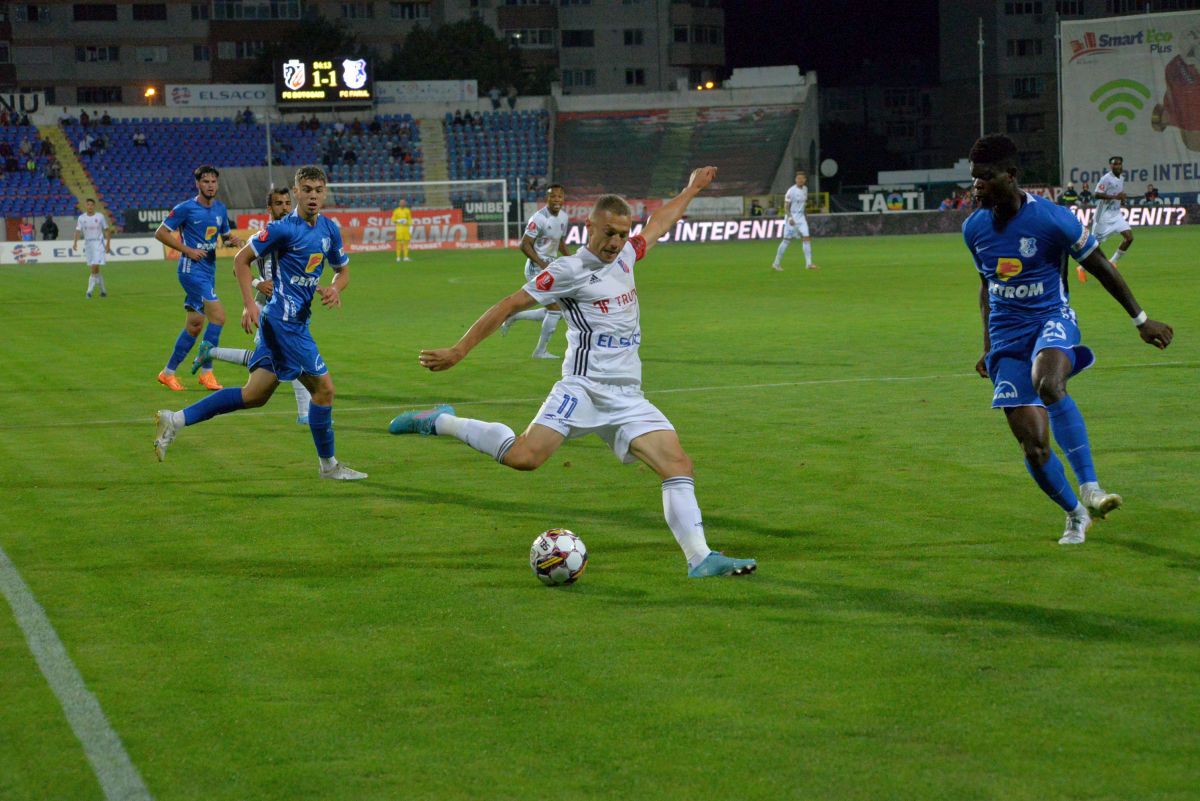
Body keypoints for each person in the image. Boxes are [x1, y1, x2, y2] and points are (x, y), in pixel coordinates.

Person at [388, 167, 756, 578]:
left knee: (678, 465)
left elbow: (659, 223)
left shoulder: (627, 256)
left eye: (622, 234)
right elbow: (509, 304)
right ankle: (441, 421)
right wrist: (459, 350)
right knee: (524, 457)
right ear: (589, 227)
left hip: (628, 396)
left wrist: (691, 189)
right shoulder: (568, 270)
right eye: (608, 233)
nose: (615, 242)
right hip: (582, 389)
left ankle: (699, 558)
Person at [963, 134, 1173, 545]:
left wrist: (1141, 320)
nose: (977, 186)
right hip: (1006, 337)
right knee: (1034, 447)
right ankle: (1076, 514)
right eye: (974, 178)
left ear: (1011, 175)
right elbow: (987, 287)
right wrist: (988, 347)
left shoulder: (1053, 219)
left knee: (1048, 382)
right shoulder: (974, 228)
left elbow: (1100, 266)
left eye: (985, 177)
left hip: (1051, 319)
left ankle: (1091, 488)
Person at [154, 165, 366, 481]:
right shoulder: (282, 229)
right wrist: (249, 303)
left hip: (294, 322)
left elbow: (343, 271)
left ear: (325, 193)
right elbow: (241, 260)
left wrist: (335, 288)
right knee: (324, 390)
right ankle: (328, 466)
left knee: (254, 395)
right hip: (283, 323)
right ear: (297, 192)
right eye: (307, 190)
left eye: (318, 190)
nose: (313, 196)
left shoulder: (329, 230)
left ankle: (176, 419)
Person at [190, 187, 313, 424]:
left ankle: (210, 352)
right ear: (269, 208)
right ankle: (304, 414)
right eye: (279, 203)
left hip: (290, 306)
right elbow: (238, 267)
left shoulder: (295, 234)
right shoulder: (262, 237)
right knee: (292, 355)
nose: (285, 207)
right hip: (268, 306)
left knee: (267, 359)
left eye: (287, 203)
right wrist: (258, 284)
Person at [153, 165, 244, 392]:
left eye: (213, 182)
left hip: (208, 271)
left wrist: (234, 240)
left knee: (194, 326)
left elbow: (224, 235)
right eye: (205, 181)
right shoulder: (185, 208)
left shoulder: (220, 209)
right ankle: (207, 372)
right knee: (218, 317)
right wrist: (188, 250)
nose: (210, 185)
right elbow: (160, 233)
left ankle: (167, 373)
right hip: (191, 271)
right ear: (197, 184)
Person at [498, 183, 570, 359]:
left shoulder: (564, 217)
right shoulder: (538, 218)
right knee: (555, 310)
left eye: (559, 196)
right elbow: (524, 244)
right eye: (553, 196)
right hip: (536, 268)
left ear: (563, 199)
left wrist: (571, 259)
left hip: (551, 267)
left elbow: (559, 241)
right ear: (547, 198)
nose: (556, 200)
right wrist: (541, 263)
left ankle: (514, 316)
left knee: (558, 310)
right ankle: (540, 352)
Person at [1078, 155, 1135, 284]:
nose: (1117, 166)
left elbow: (1117, 195)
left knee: (1129, 238)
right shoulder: (1106, 178)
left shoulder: (1121, 178)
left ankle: (1113, 262)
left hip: (1116, 214)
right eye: (1114, 164)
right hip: (1103, 216)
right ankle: (1081, 267)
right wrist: (1115, 197)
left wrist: (1121, 200)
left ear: (1121, 165)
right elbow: (1097, 194)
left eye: (1119, 164)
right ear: (1111, 166)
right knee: (1094, 246)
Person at [772, 170, 819, 271]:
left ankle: (809, 264)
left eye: (802, 178)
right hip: (792, 218)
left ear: (805, 180)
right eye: (798, 178)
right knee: (786, 241)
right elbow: (786, 206)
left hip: (801, 218)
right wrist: (789, 217)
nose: (800, 180)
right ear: (795, 180)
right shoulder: (791, 191)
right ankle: (776, 263)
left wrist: (805, 217)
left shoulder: (805, 189)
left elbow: (803, 205)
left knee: (806, 238)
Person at [73, 199, 111, 298]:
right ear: (86, 206)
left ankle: (89, 291)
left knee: (94, 267)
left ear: (94, 206)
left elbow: (107, 230)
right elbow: (78, 231)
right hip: (88, 244)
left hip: (98, 244)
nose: (90, 206)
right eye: (88, 205)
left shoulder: (100, 216)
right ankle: (103, 291)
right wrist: (75, 243)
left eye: (91, 205)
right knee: (96, 269)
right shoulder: (81, 218)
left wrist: (108, 244)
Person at [391, 197, 413, 262]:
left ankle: (405, 257)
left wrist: (410, 227)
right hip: (399, 229)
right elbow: (393, 219)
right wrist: (399, 220)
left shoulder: (407, 210)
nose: (402, 203)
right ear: (399, 203)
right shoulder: (396, 210)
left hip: (406, 229)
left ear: (405, 203)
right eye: (401, 202)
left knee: (406, 243)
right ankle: (398, 257)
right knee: (399, 244)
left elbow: (410, 219)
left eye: (403, 202)